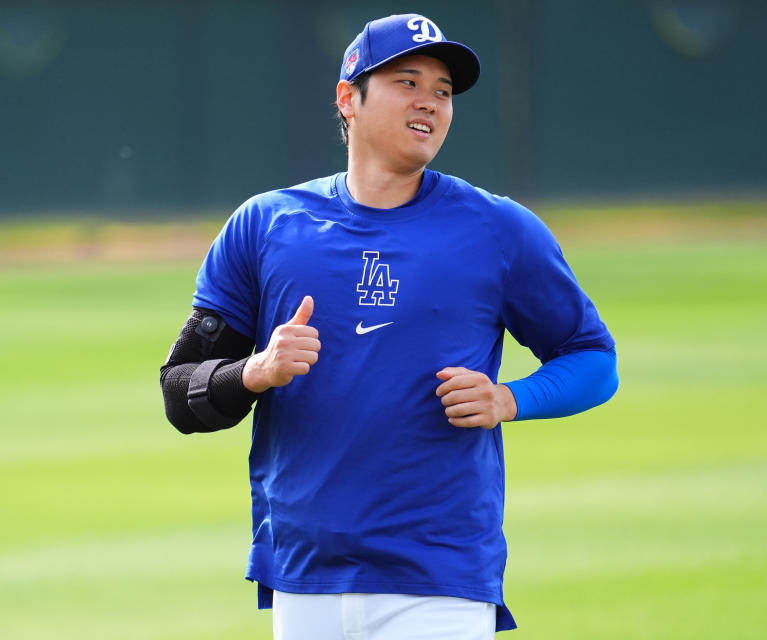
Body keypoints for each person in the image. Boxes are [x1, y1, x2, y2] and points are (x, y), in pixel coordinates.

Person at [160, 13, 617, 639]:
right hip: (304, 576)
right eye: (408, 81)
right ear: (349, 98)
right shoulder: (265, 226)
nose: (429, 102)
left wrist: (511, 397)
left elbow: (594, 358)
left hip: (440, 578)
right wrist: (256, 371)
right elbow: (180, 393)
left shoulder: (499, 229)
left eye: (443, 91)